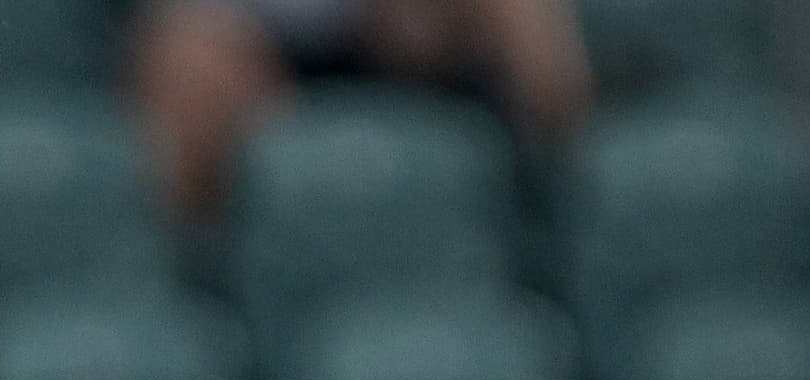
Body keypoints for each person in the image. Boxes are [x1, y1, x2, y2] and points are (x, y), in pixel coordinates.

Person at [133, 0, 593, 222]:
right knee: (191, 67)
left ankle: (553, 221)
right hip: (244, 40)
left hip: (396, 48)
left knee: (525, 20)